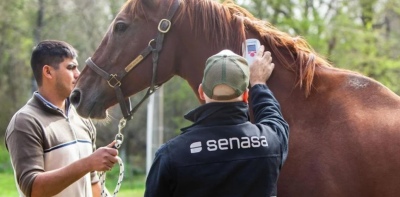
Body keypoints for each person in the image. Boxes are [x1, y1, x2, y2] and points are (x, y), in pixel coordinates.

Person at [144, 46, 290, 196]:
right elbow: (272, 115)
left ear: (201, 92)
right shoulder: (272, 141)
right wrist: (259, 83)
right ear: (246, 96)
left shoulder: (170, 154)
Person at [5, 40, 119, 197]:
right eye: (71, 67)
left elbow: (92, 184)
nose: (78, 74)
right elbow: (33, 189)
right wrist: (88, 163)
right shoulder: (25, 122)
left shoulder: (81, 118)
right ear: (48, 72)